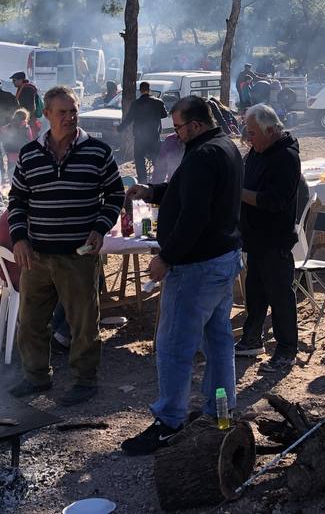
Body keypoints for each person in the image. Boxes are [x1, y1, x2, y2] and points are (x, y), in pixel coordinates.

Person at [121, 96, 243, 456]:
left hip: (198, 267)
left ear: (194, 125)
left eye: (177, 128)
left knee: (175, 345)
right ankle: (219, 409)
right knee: (218, 340)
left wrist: (167, 258)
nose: (174, 135)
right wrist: (154, 192)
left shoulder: (205, 155)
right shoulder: (224, 147)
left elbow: (195, 216)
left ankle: (169, 422)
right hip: (223, 259)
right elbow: (191, 194)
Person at [6, 86, 124, 406]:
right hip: (37, 255)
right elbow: (17, 199)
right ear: (46, 114)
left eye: (74, 111)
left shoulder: (97, 152)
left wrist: (100, 228)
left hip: (78, 255)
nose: (70, 117)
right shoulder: (30, 154)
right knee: (31, 321)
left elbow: (115, 195)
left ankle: (85, 381)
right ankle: (36, 377)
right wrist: (19, 237)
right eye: (63, 112)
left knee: (83, 323)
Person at [235, 104, 303, 371]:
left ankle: (287, 349)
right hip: (255, 237)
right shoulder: (258, 150)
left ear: (271, 130)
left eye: (252, 133)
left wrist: (238, 193)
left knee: (280, 296)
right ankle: (252, 339)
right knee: (255, 292)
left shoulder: (285, 156)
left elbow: (273, 201)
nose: (248, 139)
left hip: (275, 238)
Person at [118, 81, 167, 182]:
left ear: (140, 90)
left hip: (140, 138)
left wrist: (120, 128)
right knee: (156, 159)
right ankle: (158, 180)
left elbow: (128, 119)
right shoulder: (158, 102)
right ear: (149, 90)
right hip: (154, 137)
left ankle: (142, 180)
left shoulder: (136, 104)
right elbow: (164, 115)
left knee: (139, 158)